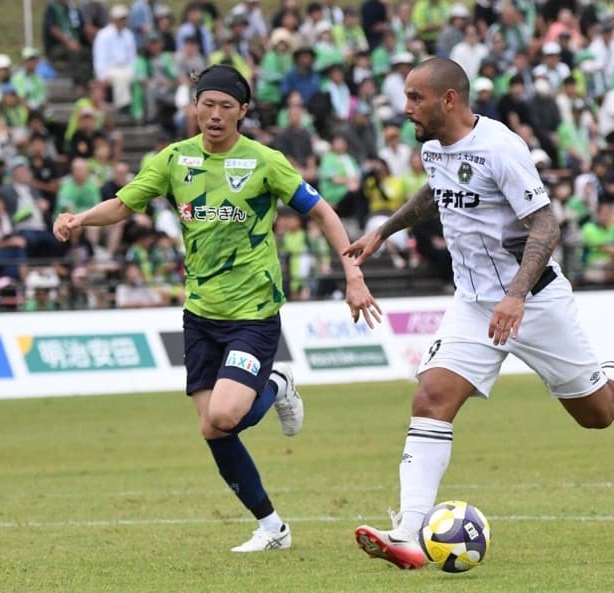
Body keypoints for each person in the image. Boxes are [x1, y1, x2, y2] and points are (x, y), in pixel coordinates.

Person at [343, 57, 614, 570]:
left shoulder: (501, 147)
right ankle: (409, 533)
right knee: (431, 398)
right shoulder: (434, 147)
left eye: (416, 98)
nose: (405, 107)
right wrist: (384, 231)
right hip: (473, 304)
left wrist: (517, 295)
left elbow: (546, 226)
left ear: (449, 99)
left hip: (534, 302)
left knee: (599, 413)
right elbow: (436, 191)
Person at [53, 64, 381, 552]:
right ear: (194, 107)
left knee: (227, 415)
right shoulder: (173, 160)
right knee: (212, 428)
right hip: (200, 313)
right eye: (207, 104)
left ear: (243, 112)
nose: (214, 114)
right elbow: (124, 205)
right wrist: (79, 218)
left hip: (252, 313)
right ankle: (273, 528)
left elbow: (323, 212)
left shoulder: (265, 161)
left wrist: (353, 274)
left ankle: (276, 383)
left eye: (226, 106)